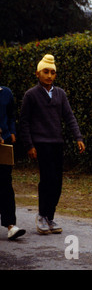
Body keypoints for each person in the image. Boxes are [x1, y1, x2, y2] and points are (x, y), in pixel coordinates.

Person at [19, 54, 85, 235]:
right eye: (45, 72)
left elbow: (69, 117)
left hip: (57, 143)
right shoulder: (31, 95)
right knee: (46, 180)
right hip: (41, 144)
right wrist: (29, 145)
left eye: (52, 72)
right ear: (38, 74)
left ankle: (50, 216)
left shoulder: (60, 94)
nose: (49, 76)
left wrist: (78, 137)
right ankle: (41, 216)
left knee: (57, 182)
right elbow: (24, 122)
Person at [0, 86, 26, 240]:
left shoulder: (6, 93)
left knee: (5, 184)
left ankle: (11, 225)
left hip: (4, 145)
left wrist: (12, 131)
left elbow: (11, 115)